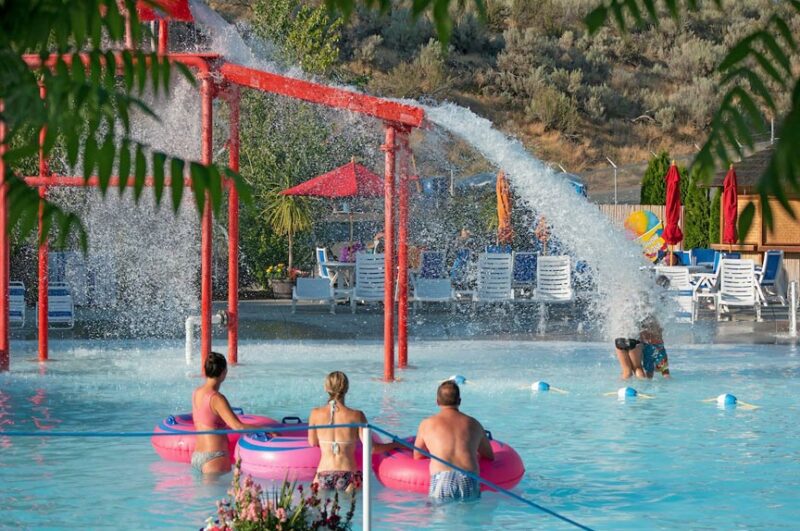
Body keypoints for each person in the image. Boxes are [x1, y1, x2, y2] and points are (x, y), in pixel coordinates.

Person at [308, 371, 399, 492]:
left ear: (326, 388)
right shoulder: (356, 415)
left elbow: (313, 442)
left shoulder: (315, 414)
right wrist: (396, 444)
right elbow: (371, 449)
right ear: (346, 388)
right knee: (350, 510)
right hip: (348, 475)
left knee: (321, 510)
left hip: (322, 474)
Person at [191, 352, 273, 475]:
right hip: (215, 457)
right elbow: (237, 427)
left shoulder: (196, 392)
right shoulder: (216, 398)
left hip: (196, 456)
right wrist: (265, 429)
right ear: (224, 372)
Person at [413, 380, 494, 502]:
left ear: (437, 401)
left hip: (442, 479)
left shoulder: (427, 424)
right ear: (459, 401)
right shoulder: (474, 424)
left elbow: (417, 455)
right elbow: (489, 455)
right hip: (468, 477)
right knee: (469, 518)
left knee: (439, 518)